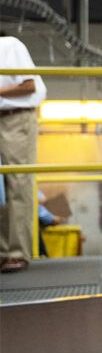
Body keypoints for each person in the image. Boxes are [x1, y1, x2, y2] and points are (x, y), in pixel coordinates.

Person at [0, 34, 47, 274]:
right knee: (1, 190)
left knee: (18, 183)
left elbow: (28, 85)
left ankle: (17, 253)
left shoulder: (9, 45)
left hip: (15, 117)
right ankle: (3, 251)